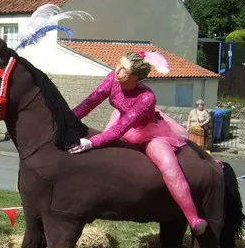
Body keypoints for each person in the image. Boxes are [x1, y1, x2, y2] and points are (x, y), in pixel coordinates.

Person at [68, 51, 208, 235]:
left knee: (169, 166)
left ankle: (193, 218)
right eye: (118, 64)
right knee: (105, 144)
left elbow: (119, 131)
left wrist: (91, 142)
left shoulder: (146, 97)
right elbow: (90, 102)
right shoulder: (113, 78)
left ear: (135, 77)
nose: (117, 71)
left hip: (147, 132)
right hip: (122, 117)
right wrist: (68, 118)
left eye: (124, 70)